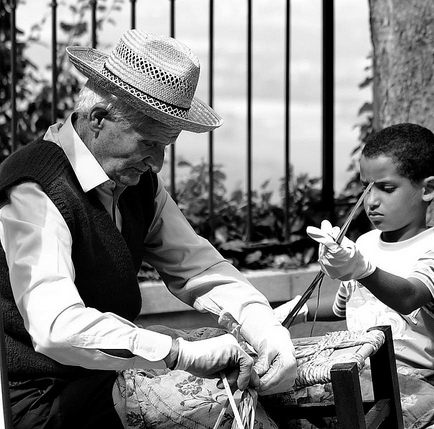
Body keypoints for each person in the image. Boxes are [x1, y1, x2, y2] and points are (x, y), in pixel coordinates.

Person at [0, 29, 296, 429]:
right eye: (148, 143)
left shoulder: (137, 184)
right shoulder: (34, 189)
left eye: (165, 147)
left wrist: (263, 324)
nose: (157, 163)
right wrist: (177, 353)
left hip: (100, 384)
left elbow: (197, 267)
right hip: (36, 400)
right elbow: (56, 328)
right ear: (99, 119)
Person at [276, 123, 434, 428]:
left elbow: (408, 296)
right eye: (367, 187)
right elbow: (342, 306)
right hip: (362, 378)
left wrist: (362, 269)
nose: (371, 200)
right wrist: (296, 309)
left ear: (427, 189)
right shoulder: (363, 245)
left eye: (386, 188)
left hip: (426, 385)